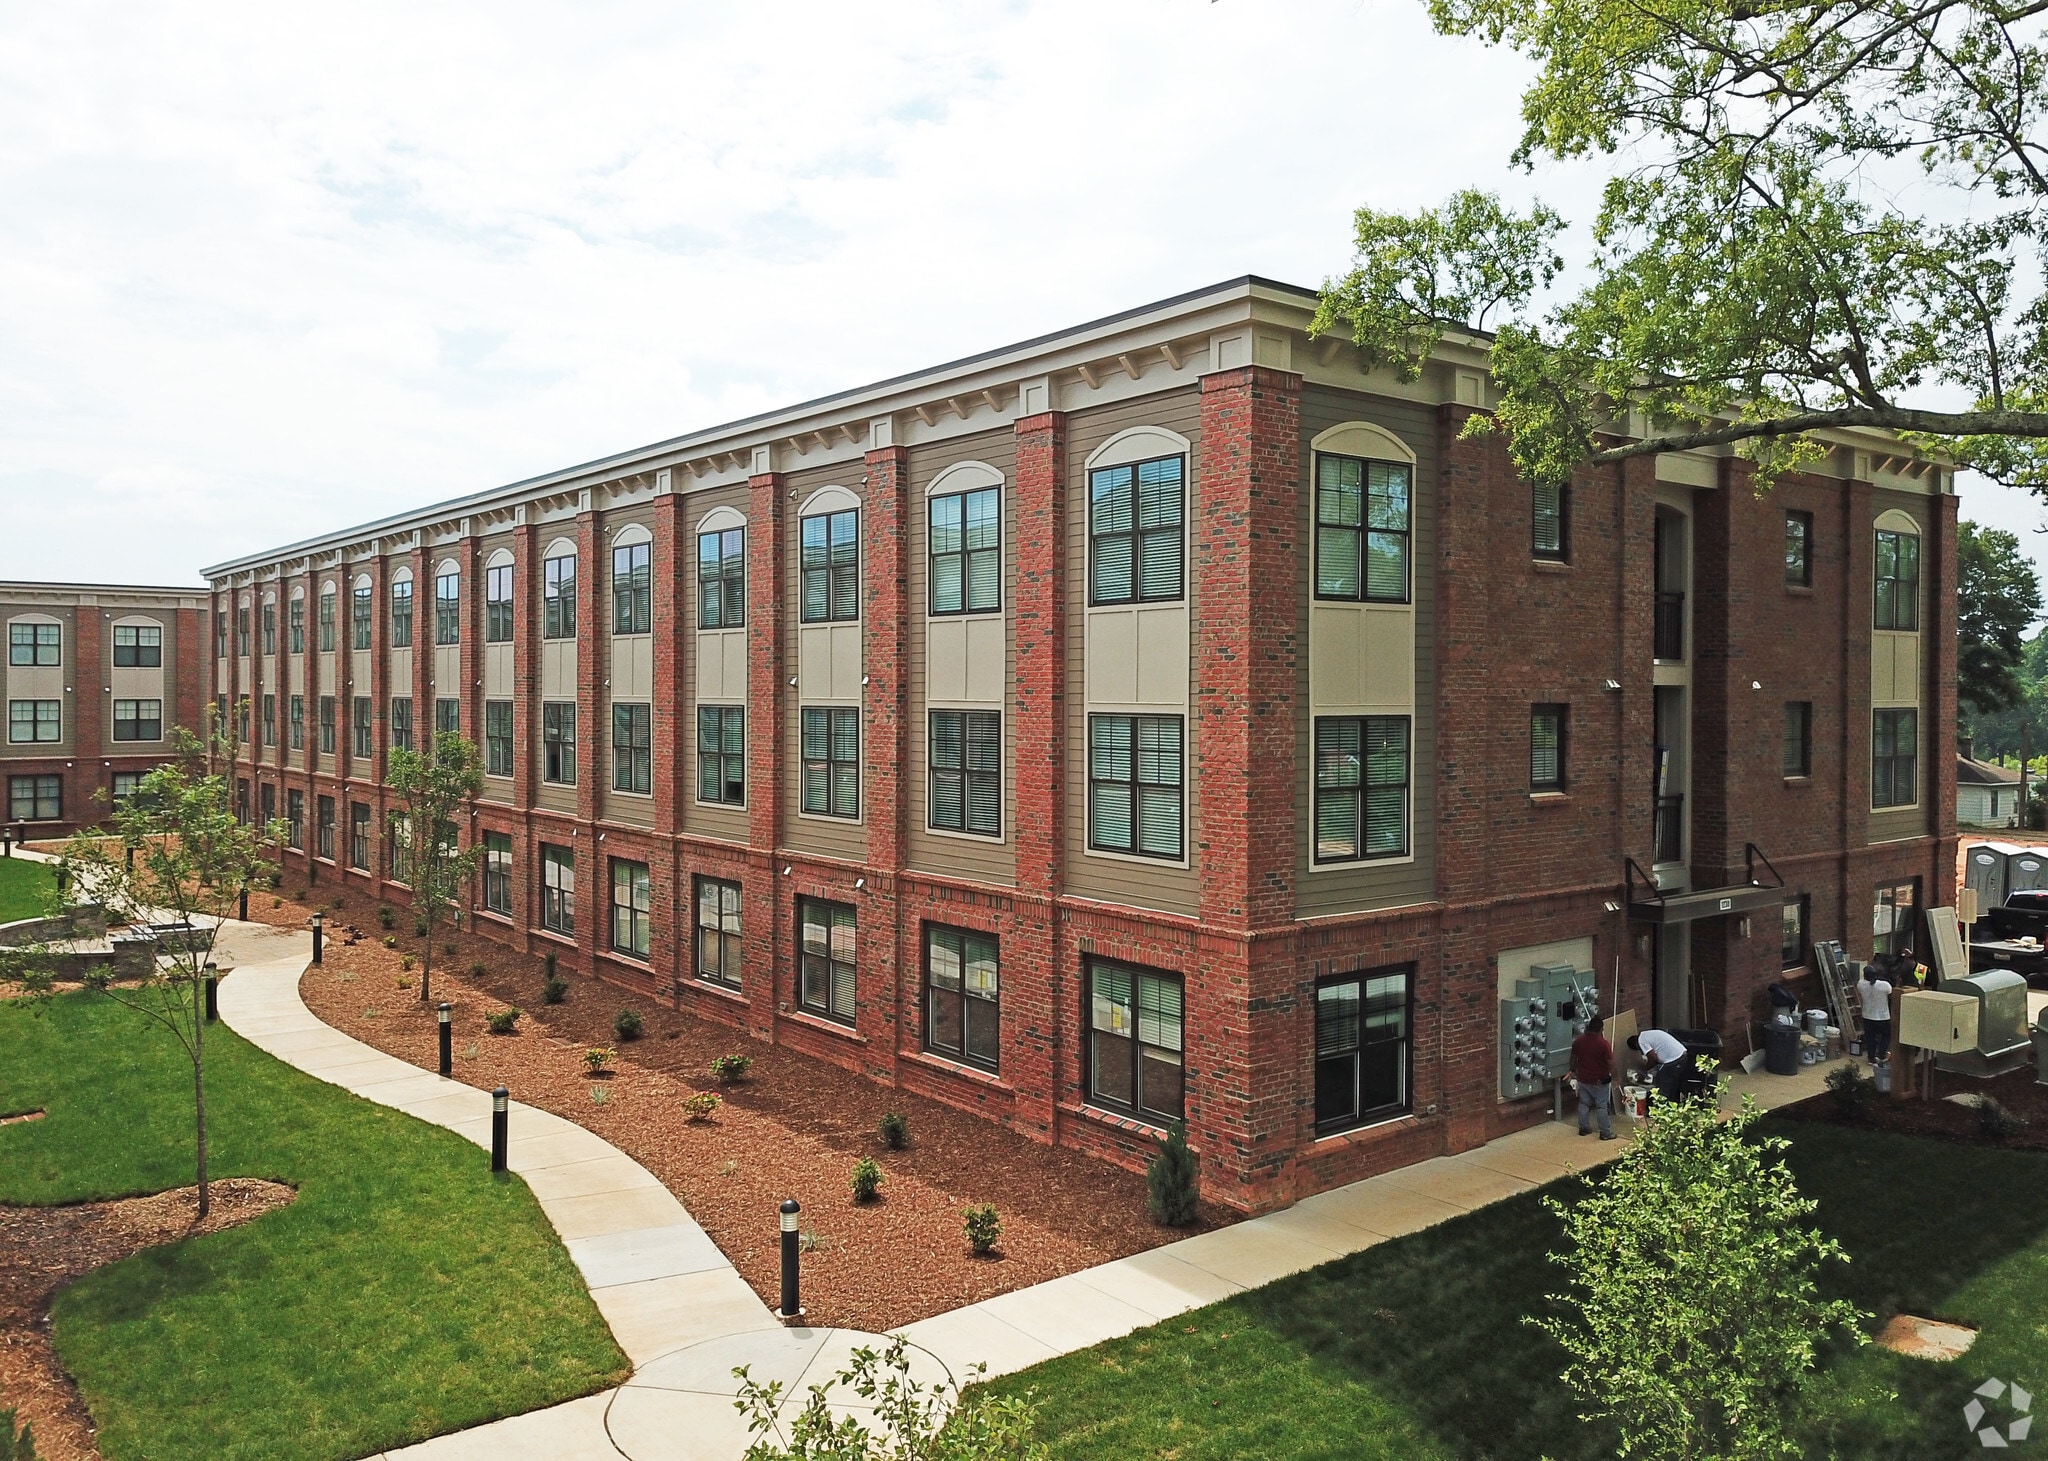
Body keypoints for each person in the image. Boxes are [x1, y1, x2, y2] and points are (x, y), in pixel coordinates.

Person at [1570, 1015, 1617, 1139]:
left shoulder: (1579, 1041)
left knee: (1584, 1103)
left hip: (1583, 1078)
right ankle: (1605, 1133)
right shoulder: (1603, 1044)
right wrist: (1616, 1077)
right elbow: (1611, 1063)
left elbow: (1573, 1058)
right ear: (1601, 1029)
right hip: (1600, 1080)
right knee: (1601, 1106)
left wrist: (1572, 1071)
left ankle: (1584, 1128)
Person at [1628, 1028, 1695, 1105]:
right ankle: (1672, 1106)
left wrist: (1643, 1071)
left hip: (1673, 1059)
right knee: (1673, 1086)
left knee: (1663, 1085)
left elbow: (1653, 1058)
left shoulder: (1641, 1040)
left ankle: (1661, 1108)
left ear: (1636, 1045)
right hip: (1681, 1055)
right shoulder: (1647, 1034)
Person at [1858, 961, 1894, 1066]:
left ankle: (1871, 1058)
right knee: (1886, 1036)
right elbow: (1891, 994)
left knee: (1870, 1038)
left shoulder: (1860, 984)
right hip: (1883, 1017)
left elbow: (1865, 982)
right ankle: (1880, 1055)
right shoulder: (1885, 985)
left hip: (1867, 1016)